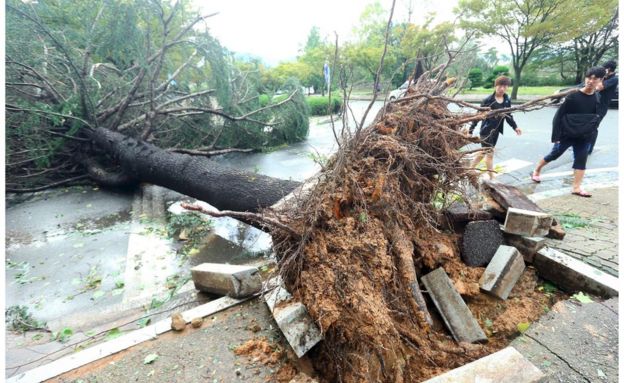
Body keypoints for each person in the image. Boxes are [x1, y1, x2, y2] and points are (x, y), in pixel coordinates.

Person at [530, 66, 606, 197]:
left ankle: (576, 188)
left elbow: (595, 118)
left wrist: (592, 133)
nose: (590, 81)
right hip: (566, 134)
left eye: (595, 79)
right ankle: (537, 170)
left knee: (581, 159)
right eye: (589, 77)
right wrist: (556, 136)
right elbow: (558, 117)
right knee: (554, 155)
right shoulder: (573, 96)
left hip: (584, 136)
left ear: (601, 80)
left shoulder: (597, 97)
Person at [465, 76, 522, 179]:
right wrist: (470, 130)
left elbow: (508, 115)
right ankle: (492, 177)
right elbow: (478, 116)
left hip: (496, 131)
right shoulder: (488, 100)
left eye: (505, 86)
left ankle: (470, 169)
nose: (502, 89)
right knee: (489, 154)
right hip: (486, 131)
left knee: (483, 152)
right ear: (496, 86)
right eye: (500, 86)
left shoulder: (506, 100)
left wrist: (515, 127)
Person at [588, 60, 618, 154]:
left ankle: (589, 149)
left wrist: (598, 79)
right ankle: (581, 146)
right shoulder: (602, 77)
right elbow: (585, 84)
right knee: (585, 125)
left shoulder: (614, 79)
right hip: (592, 105)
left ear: (608, 69)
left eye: (603, 68)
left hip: (601, 108)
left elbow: (598, 87)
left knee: (593, 128)